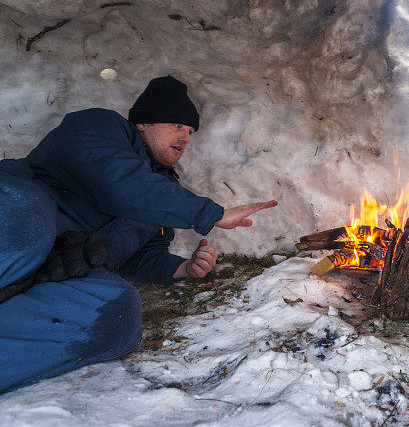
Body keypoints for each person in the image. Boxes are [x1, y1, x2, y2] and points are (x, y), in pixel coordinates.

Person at [0, 76, 277, 393]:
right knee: (30, 224)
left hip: (55, 271)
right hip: (16, 210)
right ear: (143, 123)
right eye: (176, 126)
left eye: (189, 132)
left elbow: (141, 256)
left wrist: (182, 269)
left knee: (119, 312)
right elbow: (114, 180)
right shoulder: (101, 126)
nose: (185, 138)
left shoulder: (164, 197)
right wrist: (210, 213)